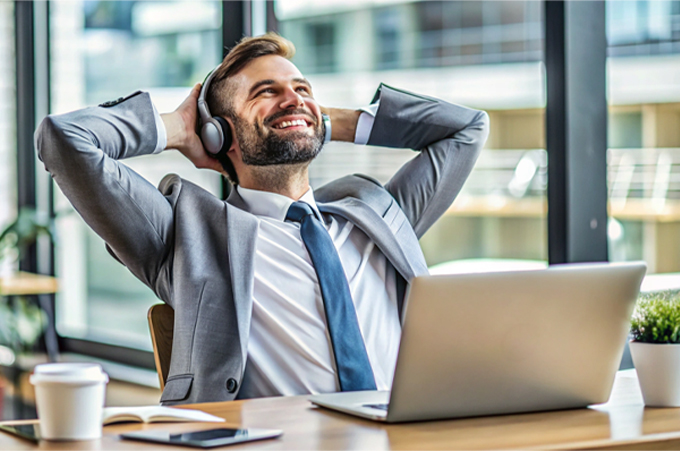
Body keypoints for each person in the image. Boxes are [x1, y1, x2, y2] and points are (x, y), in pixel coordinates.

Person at [35, 33, 489, 405]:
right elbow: (64, 138)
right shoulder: (187, 232)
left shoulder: (375, 213)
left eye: (303, 89)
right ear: (220, 133)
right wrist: (176, 127)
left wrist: (329, 119)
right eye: (266, 92)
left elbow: (467, 130)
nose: (294, 99)